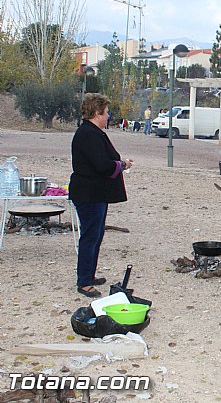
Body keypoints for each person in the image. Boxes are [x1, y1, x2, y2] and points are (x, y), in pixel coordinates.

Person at [69, 94, 133, 298]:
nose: (108, 116)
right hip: (89, 193)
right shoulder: (88, 134)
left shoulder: (93, 132)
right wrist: (122, 165)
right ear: (97, 113)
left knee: (96, 235)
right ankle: (84, 282)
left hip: (96, 192)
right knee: (90, 236)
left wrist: (119, 163)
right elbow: (102, 165)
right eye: (106, 113)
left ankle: (89, 274)